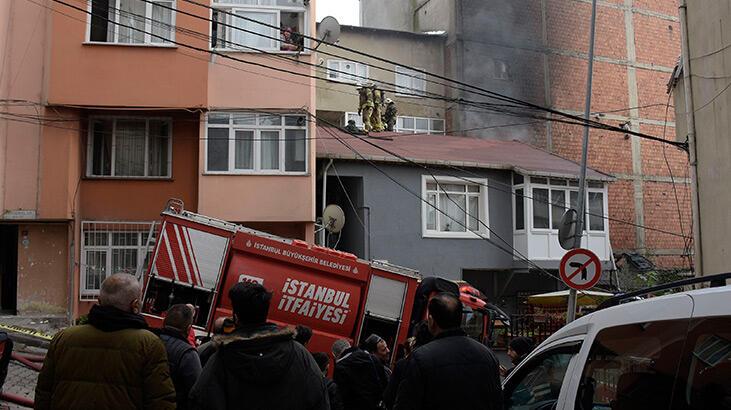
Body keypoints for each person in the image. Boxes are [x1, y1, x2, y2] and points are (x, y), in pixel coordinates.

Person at [35, 273, 175, 410]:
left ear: (99, 301)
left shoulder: (64, 338)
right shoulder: (149, 345)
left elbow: (44, 393)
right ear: (136, 304)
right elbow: (161, 401)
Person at [189, 282, 329, 410]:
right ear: (265, 313)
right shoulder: (300, 355)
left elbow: (201, 400)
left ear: (236, 317)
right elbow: (320, 399)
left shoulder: (221, 358)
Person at [394, 293, 502, 410]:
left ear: (431, 320)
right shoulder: (487, 355)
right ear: (460, 318)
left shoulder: (421, 358)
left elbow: (406, 404)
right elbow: (497, 402)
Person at [154, 304, 202, 410]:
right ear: (189, 329)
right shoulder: (188, 354)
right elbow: (196, 392)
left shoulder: (145, 340)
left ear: (163, 321)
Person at [334, 336, 388, 410]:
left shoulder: (340, 368)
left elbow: (340, 396)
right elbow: (384, 384)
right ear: (349, 346)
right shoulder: (372, 358)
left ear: (336, 355)